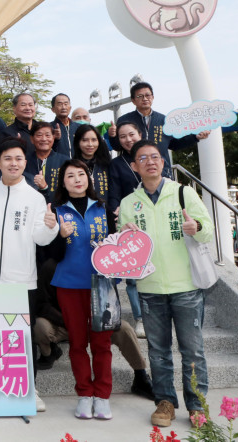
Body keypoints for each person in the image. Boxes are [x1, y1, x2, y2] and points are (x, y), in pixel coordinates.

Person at [119, 140, 213, 429]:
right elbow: (125, 251)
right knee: (158, 351)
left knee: (192, 350)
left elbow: (207, 231)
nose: (150, 162)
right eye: (143, 158)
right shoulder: (128, 203)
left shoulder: (183, 193)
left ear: (163, 162)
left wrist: (196, 228)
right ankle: (165, 402)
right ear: (134, 166)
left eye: (155, 157)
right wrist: (125, 238)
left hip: (186, 287)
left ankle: (197, 405)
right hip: (150, 289)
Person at [0, 137, 58, 412]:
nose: (14, 163)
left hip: (22, 281)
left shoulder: (34, 197)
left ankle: (29, 388)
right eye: (8, 158)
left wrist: (51, 227)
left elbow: (41, 239)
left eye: (19, 159)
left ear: (25, 163)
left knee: (22, 336)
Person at [32, 257, 155, 401]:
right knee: (39, 326)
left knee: (125, 329)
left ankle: (140, 375)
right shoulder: (51, 266)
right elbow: (41, 305)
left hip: (97, 321)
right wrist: (69, 320)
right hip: (63, 323)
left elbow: (111, 299)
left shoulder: (102, 264)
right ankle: (49, 353)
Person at [48, 160, 116, 420]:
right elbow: (50, 255)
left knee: (102, 343)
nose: (77, 179)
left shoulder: (103, 208)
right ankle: (84, 395)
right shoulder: (56, 211)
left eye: (81, 174)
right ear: (63, 182)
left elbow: (115, 246)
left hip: (102, 284)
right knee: (77, 343)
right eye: (70, 176)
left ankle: (102, 397)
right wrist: (59, 234)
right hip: (69, 284)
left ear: (88, 179)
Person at [108, 82, 209, 179]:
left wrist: (195, 137)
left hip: (162, 173)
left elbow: (174, 144)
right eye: (140, 96)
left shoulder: (164, 120)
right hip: (134, 173)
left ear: (152, 97)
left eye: (148, 95)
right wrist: (112, 136)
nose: (145, 99)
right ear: (133, 100)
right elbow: (118, 146)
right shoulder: (124, 120)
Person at [107, 119, 147, 338]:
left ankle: (158, 315)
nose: (128, 139)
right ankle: (140, 318)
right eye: (123, 136)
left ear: (139, 134)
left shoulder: (152, 154)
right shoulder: (117, 163)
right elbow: (113, 193)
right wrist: (116, 213)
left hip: (154, 219)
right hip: (130, 221)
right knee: (133, 275)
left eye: (131, 134)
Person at [25, 122, 68, 203]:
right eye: (39, 135)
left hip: (58, 209)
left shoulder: (65, 161)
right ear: (31, 139)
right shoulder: (24, 162)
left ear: (53, 137)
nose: (44, 139)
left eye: (48, 135)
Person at [74, 124, 111, 201]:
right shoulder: (72, 167)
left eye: (94, 140)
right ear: (77, 142)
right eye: (85, 140)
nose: (90, 144)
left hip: (105, 210)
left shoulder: (106, 164)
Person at [0, 92, 38, 156]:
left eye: (30, 105)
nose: (28, 108)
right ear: (14, 108)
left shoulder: (42, 129)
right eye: (23, 105)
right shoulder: (7, 133)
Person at [51, 93, 81, 158]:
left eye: (66, 104)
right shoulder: (49, 128)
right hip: (57, 166)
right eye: (59, 104)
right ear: (53, 109)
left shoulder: (79, 128)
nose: (63, 107)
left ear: (70, 108)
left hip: (77, 166)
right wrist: (55, 140)